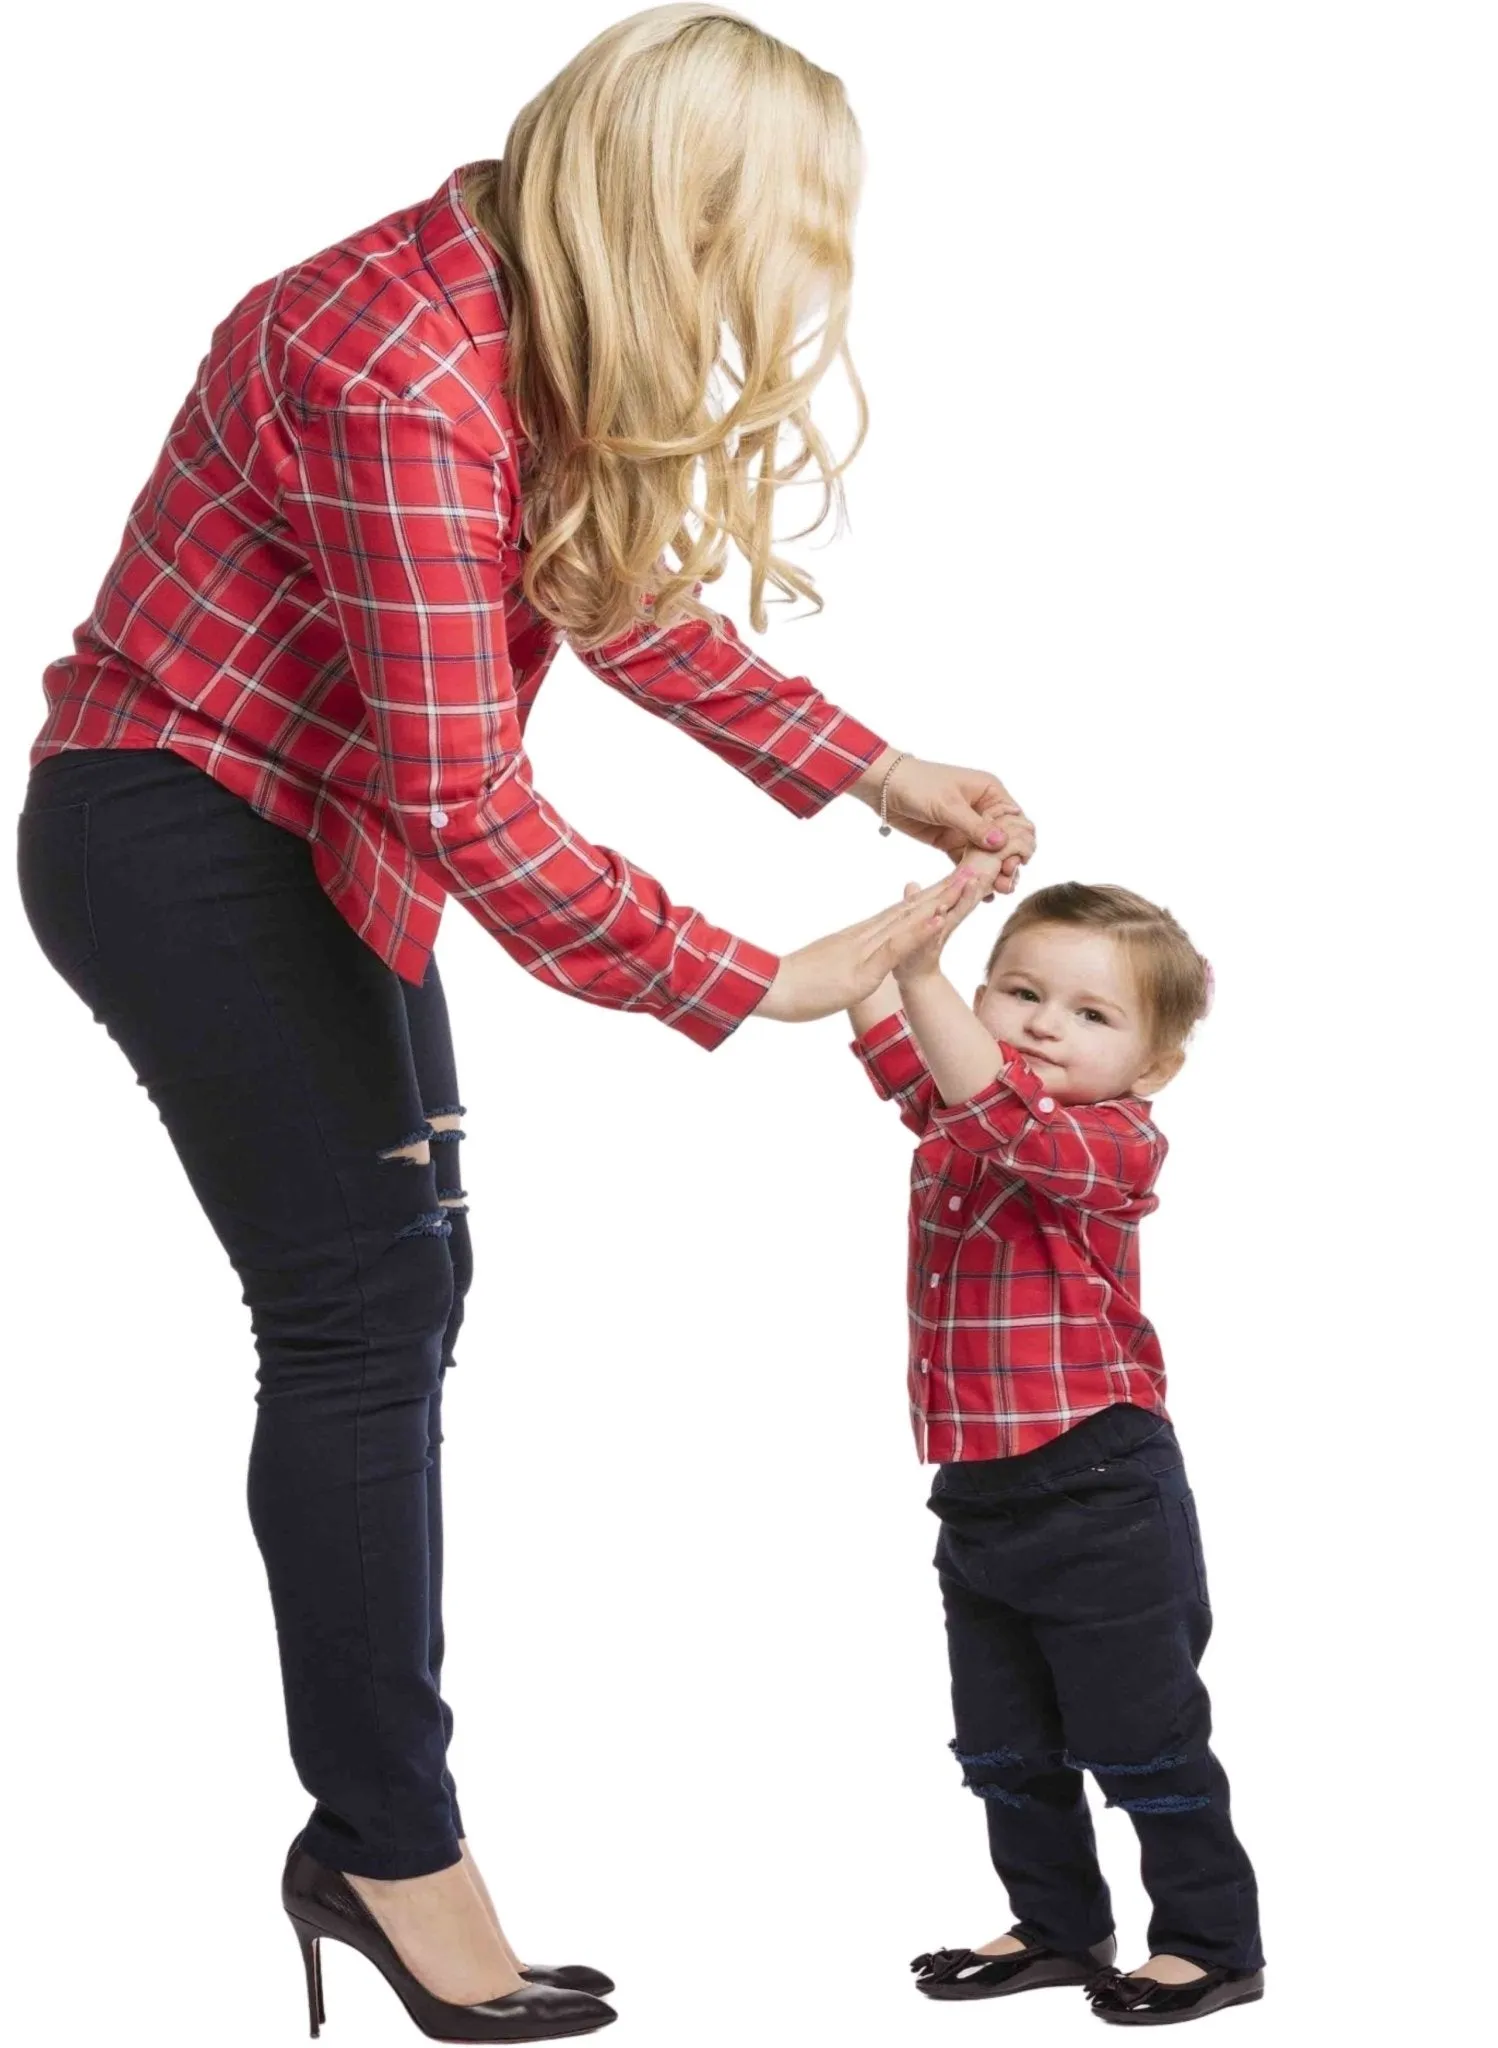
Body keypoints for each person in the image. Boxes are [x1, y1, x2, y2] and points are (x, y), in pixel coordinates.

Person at [15, 8, 1033, 2043]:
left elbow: (610, 590)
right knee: (357, 1309)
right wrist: (752, 982)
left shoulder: (527, 301)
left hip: (325, 823)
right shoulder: (388, 359)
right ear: (671, 207)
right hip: (181, 818)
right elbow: (470, 796)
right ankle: (390, 1848)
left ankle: (377, 1834)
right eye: (763, 240)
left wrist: (879, 768)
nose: (771, 297)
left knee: (408, 1289)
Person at [847, 879, 1263, 2027]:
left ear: (1152, 1064)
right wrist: (894, 943)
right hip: (978, 1492)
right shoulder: (960, 1101)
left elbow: (1001, 1120)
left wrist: (928, 978)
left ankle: (1210, 1942)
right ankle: (1055, 1923)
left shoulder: (1112, 1140)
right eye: (1020, 990)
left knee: (1143, 1736)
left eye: (1091, 1014)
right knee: (1002, 1741)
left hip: (1098, 1485)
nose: (1041, 1022)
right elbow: (897, 1045)